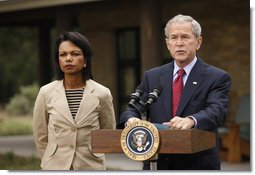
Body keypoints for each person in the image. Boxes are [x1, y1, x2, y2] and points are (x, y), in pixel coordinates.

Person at [118, 14, 231, 170]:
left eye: (185, 37)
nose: (179, 43)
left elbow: (217, 111)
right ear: (167, 43)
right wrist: (131, 120)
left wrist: (191, 120)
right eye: (174, 38)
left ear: (198, 42)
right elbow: (133, 108)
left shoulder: (217, 77)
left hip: (197, 164)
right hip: (157, 161)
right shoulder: (153, 76)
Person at [33, 31, 116, 170]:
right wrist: (50, 159)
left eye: (75, 54)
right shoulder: (46, 92)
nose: (68, 58)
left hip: (90, 166)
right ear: (58, 60)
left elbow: (107, 133)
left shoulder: (102, 93)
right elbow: (40, 135)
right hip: (55, 166)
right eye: (63, 54)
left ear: (85, 60)